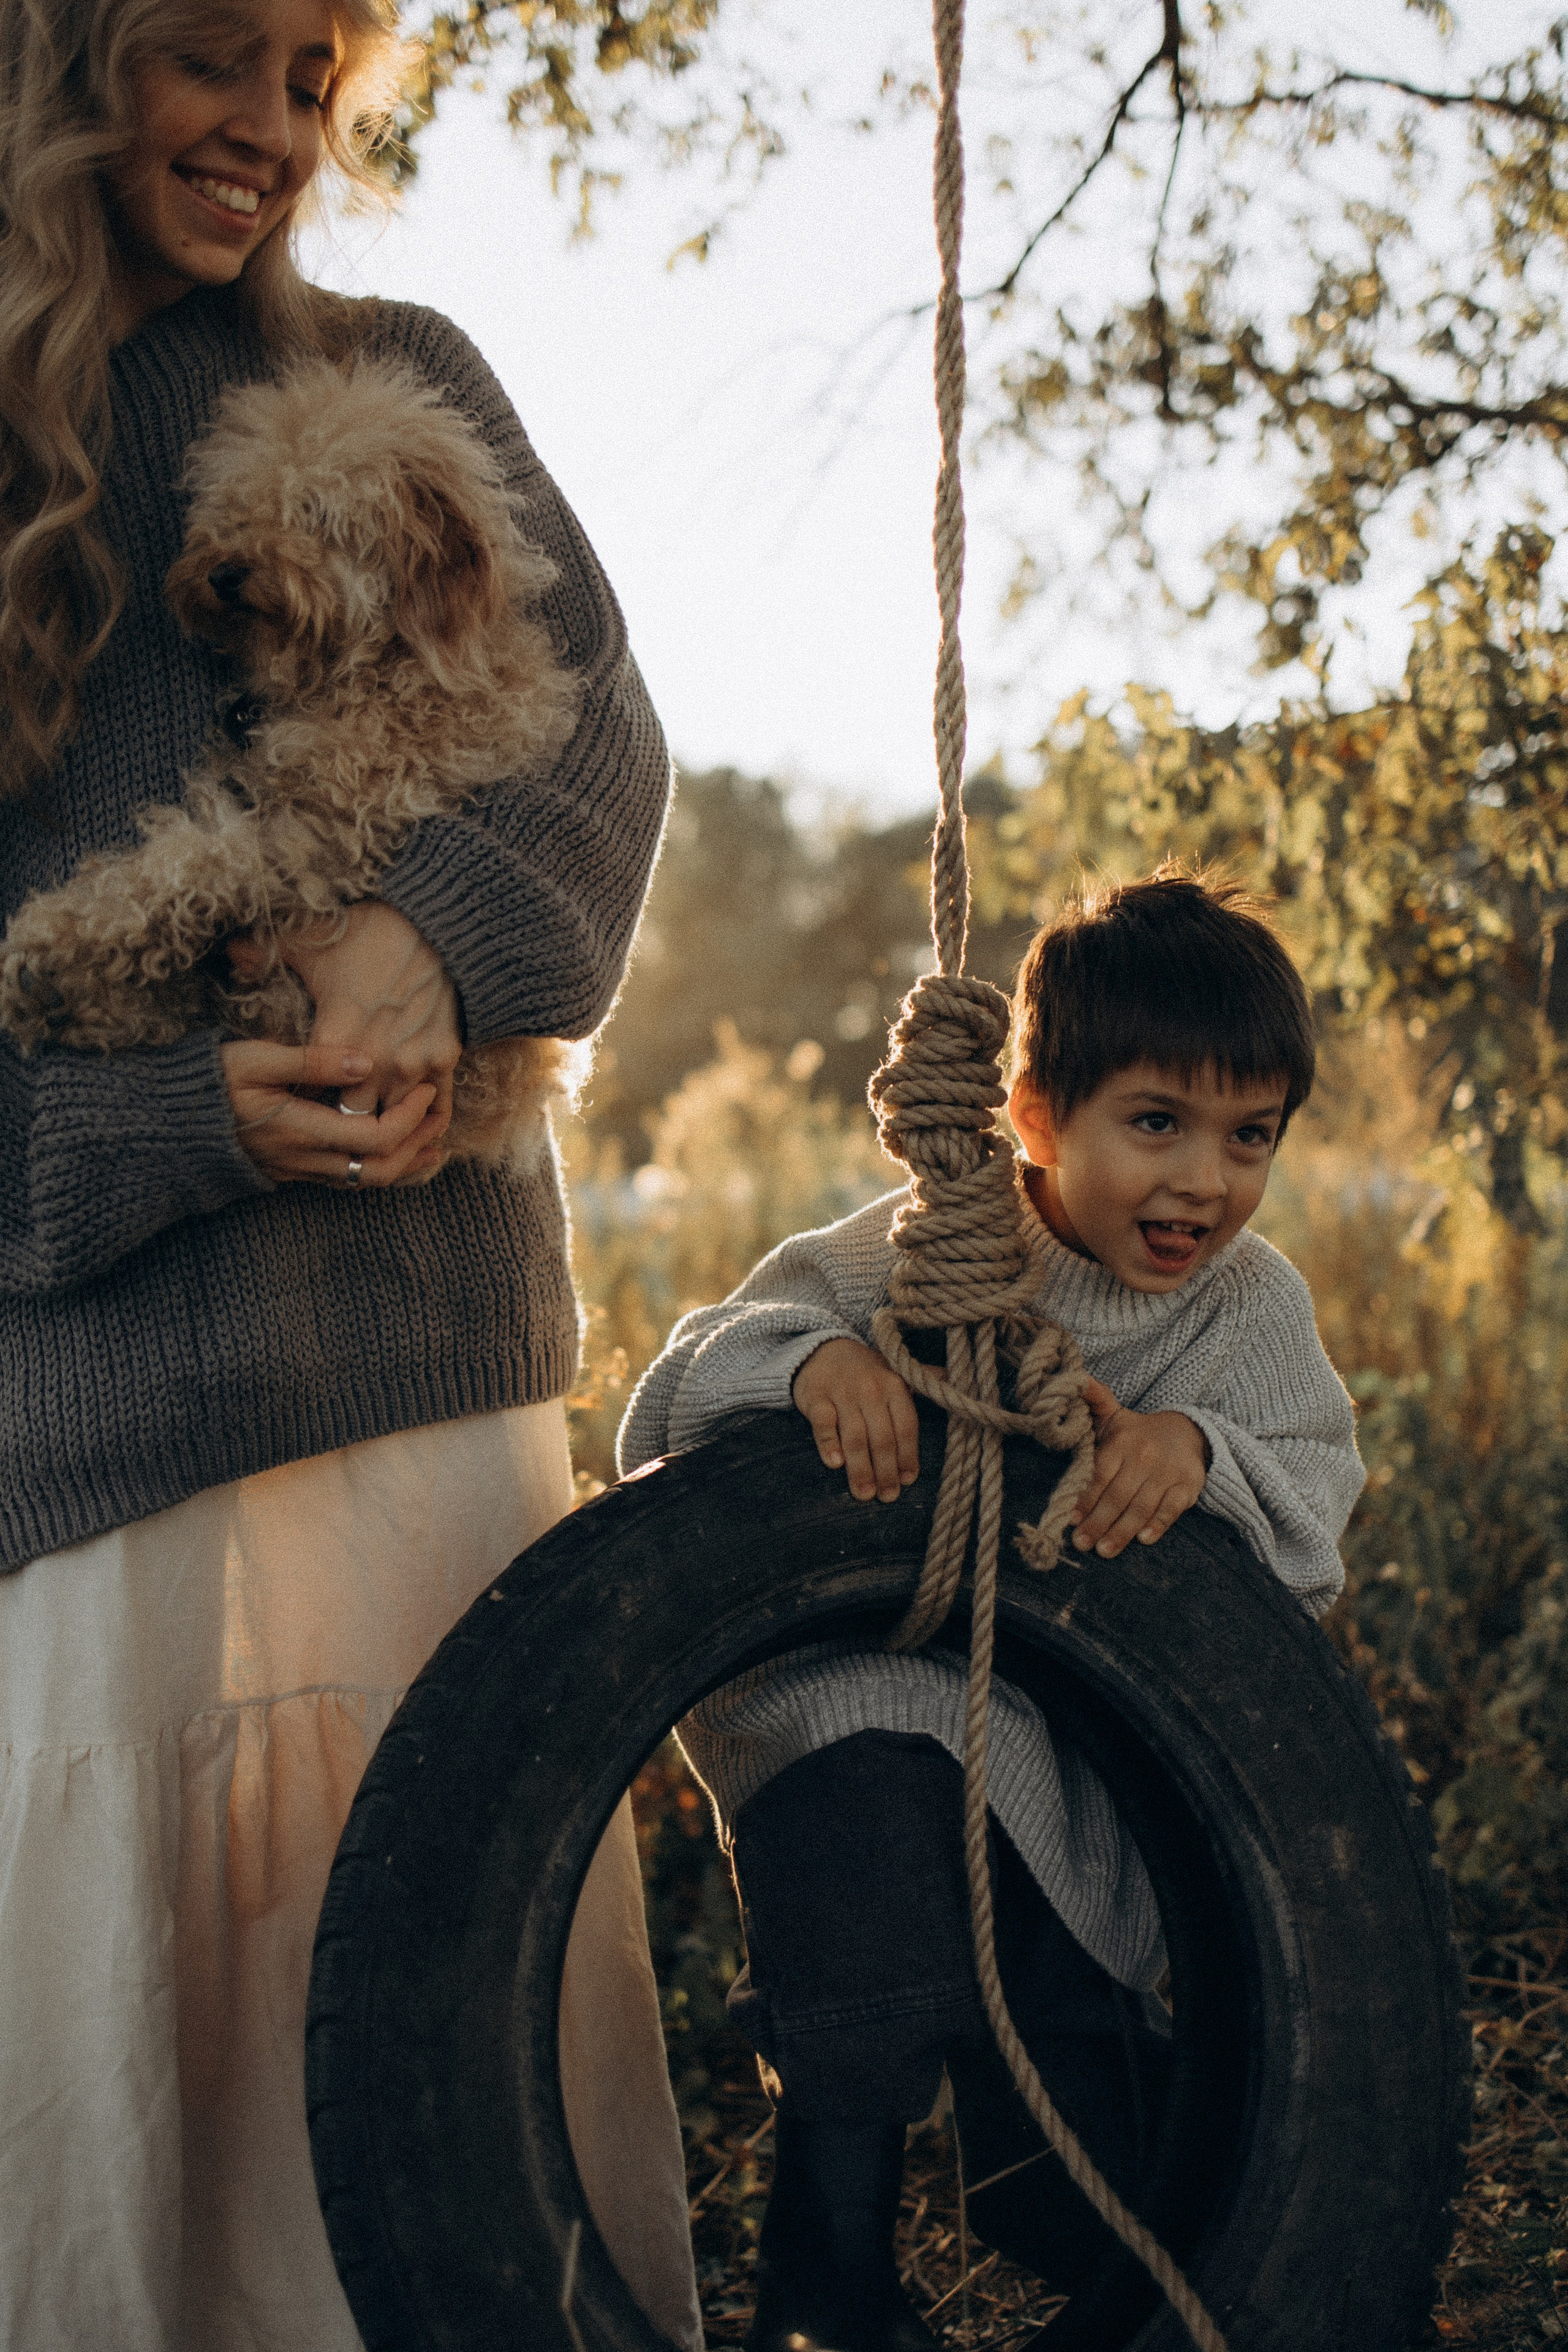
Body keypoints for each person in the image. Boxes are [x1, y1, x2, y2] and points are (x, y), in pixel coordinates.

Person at [0, 5, 700, 2348]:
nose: (279, 131)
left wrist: (435, 941)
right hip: (91, 1488)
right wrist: (167, 1120)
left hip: (425, 1431)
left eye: (320, 74)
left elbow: (599, 743)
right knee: (152, 2195)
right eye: (222, 59)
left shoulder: (411, 366)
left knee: (464, 2136)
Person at [619, 872, 1367, 2352]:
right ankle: (824, 2264)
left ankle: (1052, 2191)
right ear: (1031, 1114)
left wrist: (1197, 1453)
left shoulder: (1244, 1308)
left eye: (1246, 1137)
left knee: (1058, 2012)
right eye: (1153, 1123)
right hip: (869, 1687)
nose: (1202, 1183)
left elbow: (1312, 1495)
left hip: (1070, 1746)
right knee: (877, 1946)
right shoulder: (930, 1241)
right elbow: (686, 1381)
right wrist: (810, 1370)